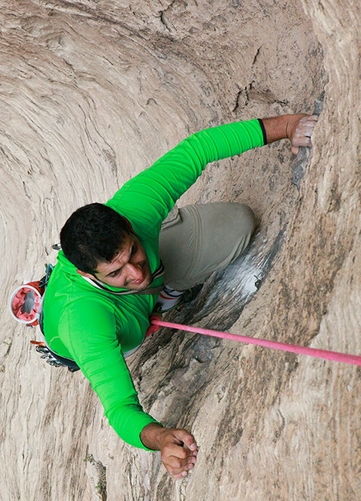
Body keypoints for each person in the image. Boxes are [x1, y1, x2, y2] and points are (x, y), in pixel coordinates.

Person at [42, 113, 318, 479]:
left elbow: (196, 150)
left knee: (237, 224)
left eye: (133, 254)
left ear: (128, 225)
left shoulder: (135, 209)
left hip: (130, 295)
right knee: (129, 324)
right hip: (106, 319)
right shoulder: (85, 324)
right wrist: (158, 437)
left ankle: (168, 295)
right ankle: (150, 301)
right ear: (86, 273)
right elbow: (120, 406)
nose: (135, 273)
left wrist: (288, 127)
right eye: (116, 272)